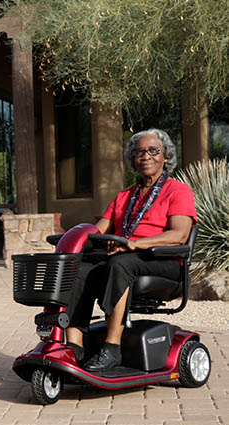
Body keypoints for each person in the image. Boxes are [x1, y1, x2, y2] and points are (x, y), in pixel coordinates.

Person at [64, 128, 197, 371]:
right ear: (133, 161)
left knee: (121, 263)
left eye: (153, 151)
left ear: (165, 156)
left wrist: (135, 243)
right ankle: (74, 346)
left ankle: (112, 348)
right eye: (139, 153)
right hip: (126, 257)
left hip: (163, 260)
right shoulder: (125, 196)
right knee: (80, 266)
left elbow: (179, 235)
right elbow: (98, 230)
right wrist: (71, 239)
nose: (145, 156)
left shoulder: (178, 191)